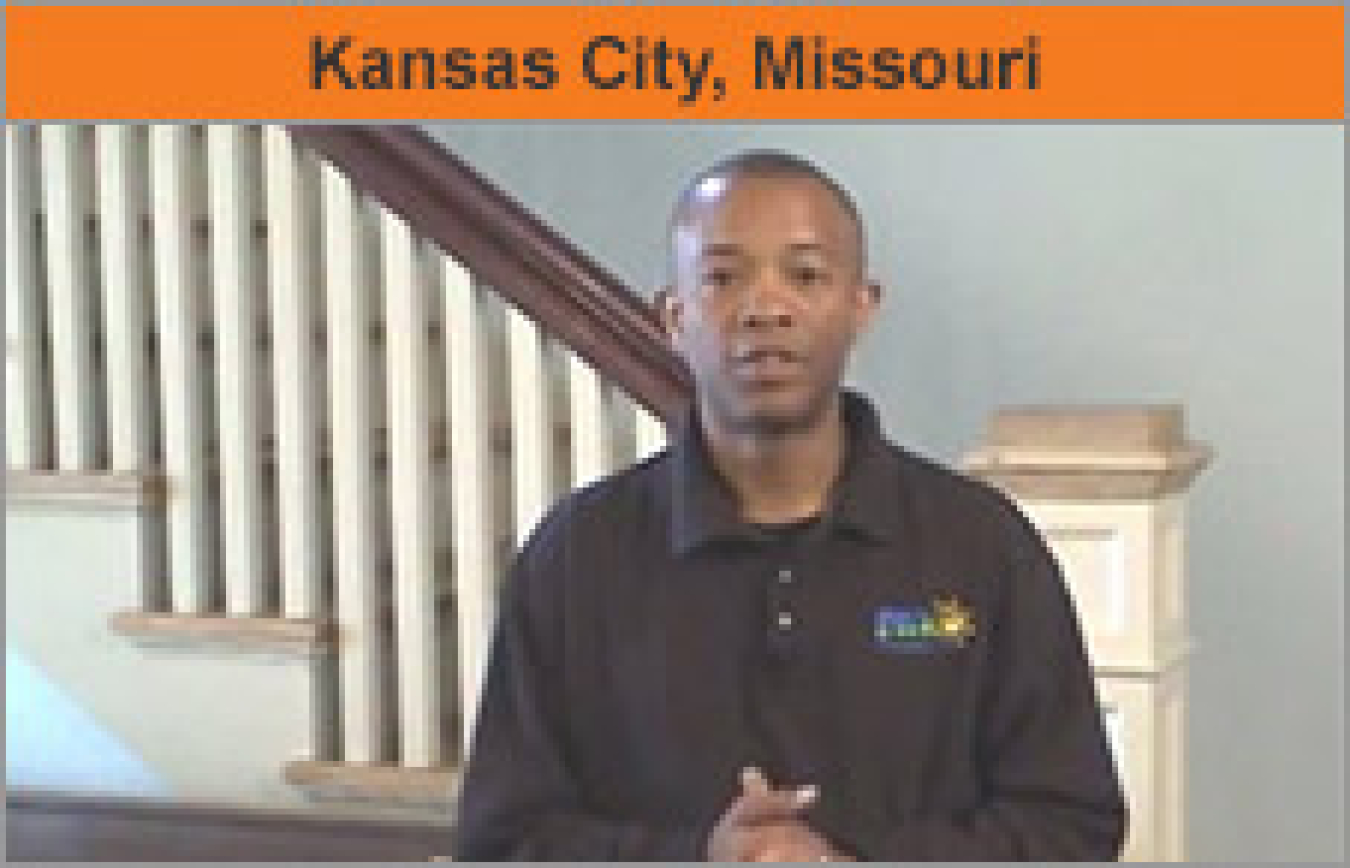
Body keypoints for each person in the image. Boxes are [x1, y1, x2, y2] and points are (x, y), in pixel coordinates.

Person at [452, 150, 1128, 861]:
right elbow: (502, 842)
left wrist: (853, 862)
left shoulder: (981, 545)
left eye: (805, 275)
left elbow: (1072, 827)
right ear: (674, 317)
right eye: (722, 278)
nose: (765, 308)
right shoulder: (577, 556)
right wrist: (697, 860)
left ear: (861, 306)